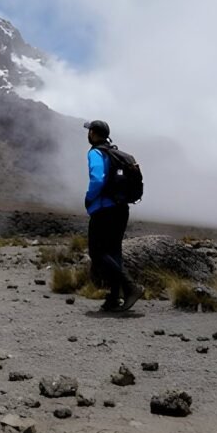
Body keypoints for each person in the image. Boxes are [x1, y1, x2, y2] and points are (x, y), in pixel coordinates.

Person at [84, 119, 143, 312]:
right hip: (121, 209)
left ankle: (130, 288)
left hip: (104, 210)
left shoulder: (96, 153)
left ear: (93, 133)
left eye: (89, 131)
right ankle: (113, 299)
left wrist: (89, 198)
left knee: (97, 252)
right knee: (113, 252)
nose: (88, 134)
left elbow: (97, 178)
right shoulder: (117, 154)